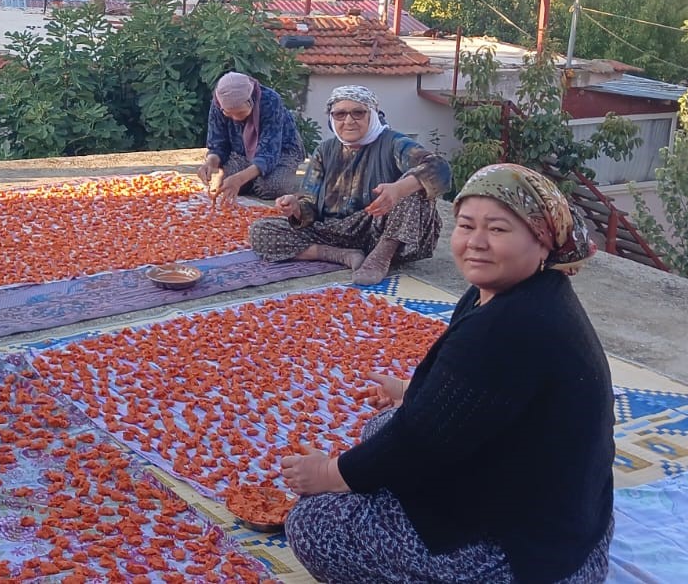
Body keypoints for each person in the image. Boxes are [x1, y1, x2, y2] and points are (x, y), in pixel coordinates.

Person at [279, 163, 614, 584]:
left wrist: (330, 473)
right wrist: (408, 391)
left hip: (529, 557)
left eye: (498, 230)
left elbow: (419, 441)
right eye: (466, 225)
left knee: (314, 524)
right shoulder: (516, 293)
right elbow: (478, 394)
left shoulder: (511, 327)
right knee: (382, 426)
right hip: (570, 519)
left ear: (542, 241)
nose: (476, 243)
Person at [249, 85, 450, 285]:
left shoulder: (393, 143)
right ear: (331, 118)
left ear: (372, 115)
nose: (348, 121)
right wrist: (296, 208)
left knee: (415, 188)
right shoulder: (324, 150)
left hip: (379, 228)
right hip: (335, 232)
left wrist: (398, 189)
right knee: (260, 231)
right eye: (340, 114)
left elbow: (439, 167)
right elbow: (309, 203)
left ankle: (381, 256)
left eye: (358, 113)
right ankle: (341, 255)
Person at [198, 70, 305, 202]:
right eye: (229, 114)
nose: (235, 119)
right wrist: (211, 162)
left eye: (240, 112)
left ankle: (286, 178)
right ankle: (252, 176)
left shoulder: (271, 101)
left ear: (251, 101)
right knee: (227, 184)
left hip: (281, 151)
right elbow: (218, 144)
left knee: (271, 188)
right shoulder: (219, 103)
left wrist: (240, 178)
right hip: (241, 152)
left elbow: (269, 153)